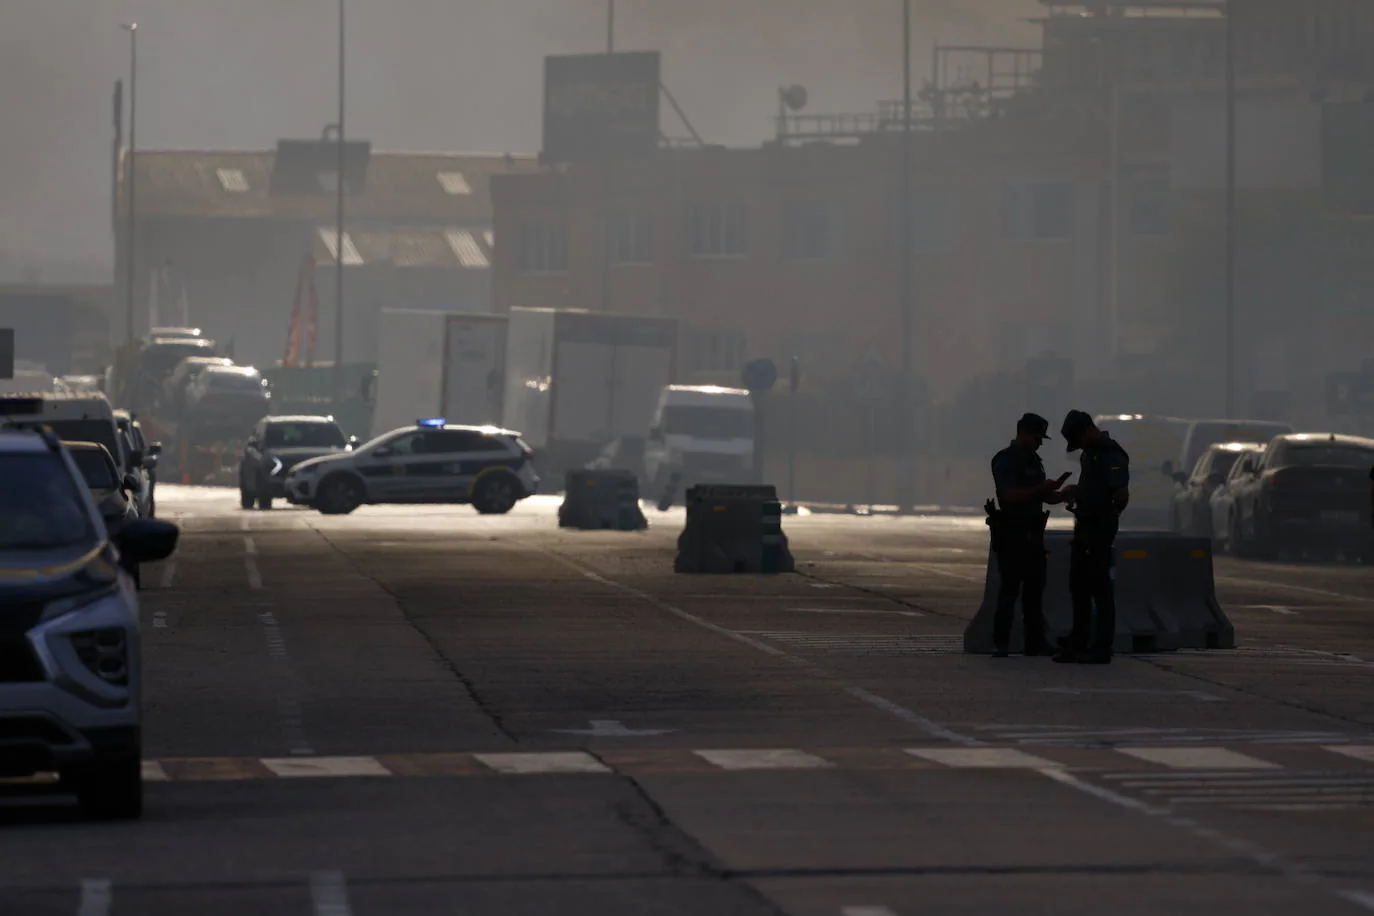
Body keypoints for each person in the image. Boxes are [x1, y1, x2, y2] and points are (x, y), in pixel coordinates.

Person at [989, 413, 1067, 658]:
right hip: (1013, 532)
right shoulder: (1006, 460)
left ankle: (1035, 642)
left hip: (1033, 533)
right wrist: (1040, 489)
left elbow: (1042, 496)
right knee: (1010, 590)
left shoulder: (1034, 460)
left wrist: (1061, 494)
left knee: (1034, 591)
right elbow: (1010, 495)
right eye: (1036, 437)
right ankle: (1000, 643)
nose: (1039, 443)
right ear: (1023, 433)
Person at [1055, 410, 1130, 664]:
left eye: (1078, 440)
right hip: (1085, 528)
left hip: (1098, 531)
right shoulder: (1089, 454)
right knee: (1079, 587)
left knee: (1099, 588)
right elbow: (1094, 487)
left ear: (1088, 430)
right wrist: (1077, 492)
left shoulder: (1111, 453)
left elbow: (1120, 495)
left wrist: (1104, 519)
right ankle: (1078, 642)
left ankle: (1101, 647)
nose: (1078, 448)